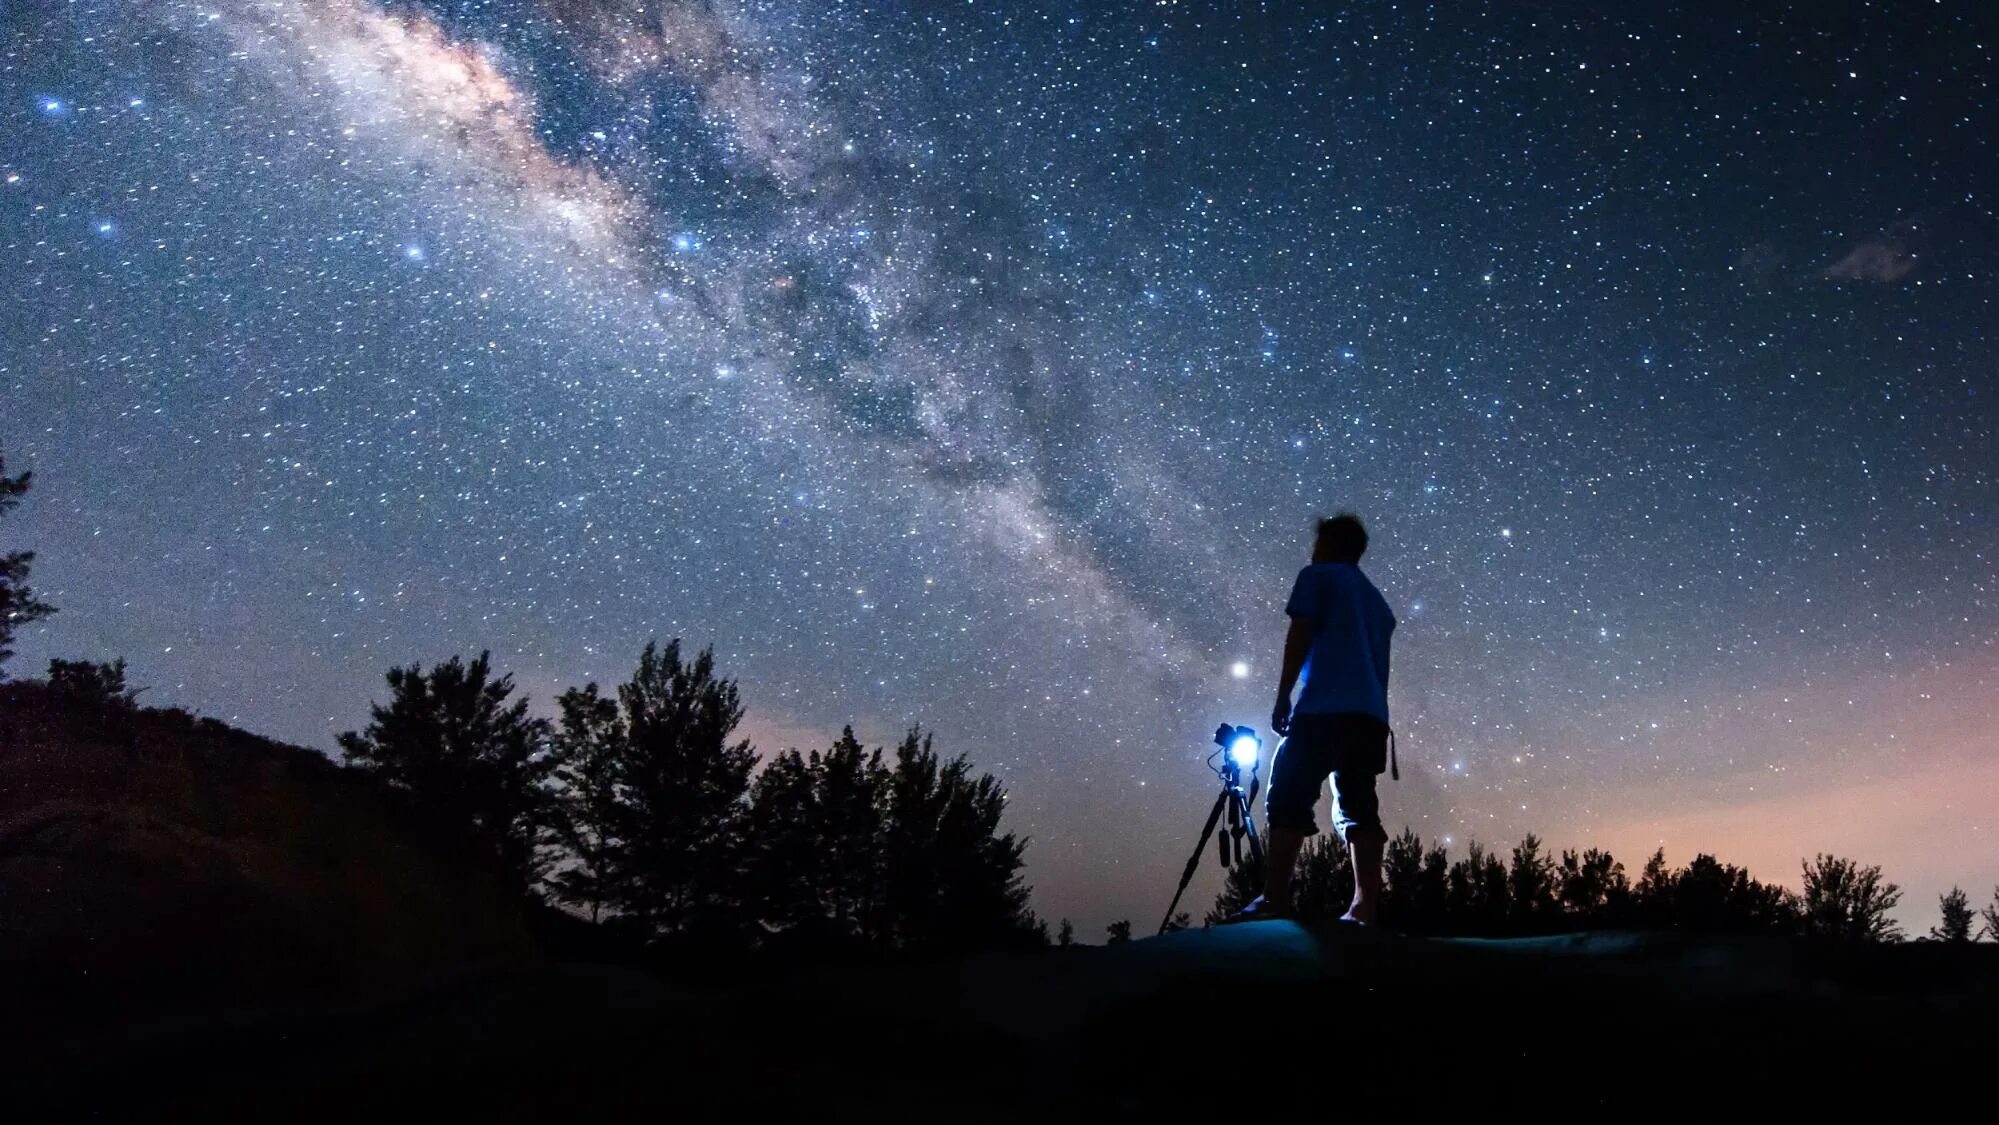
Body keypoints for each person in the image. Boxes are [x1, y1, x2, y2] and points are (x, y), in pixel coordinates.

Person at [1235, 512, 1396, 925]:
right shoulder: (1378, 603)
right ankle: (1364, 907)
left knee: (1288, 793)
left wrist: (1282, 696)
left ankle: (1274, 898)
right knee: (1360, 804)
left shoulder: (1317, 576)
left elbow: (1301, 633)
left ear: (1328, 544)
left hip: (1325, 708)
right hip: (1371, 718)